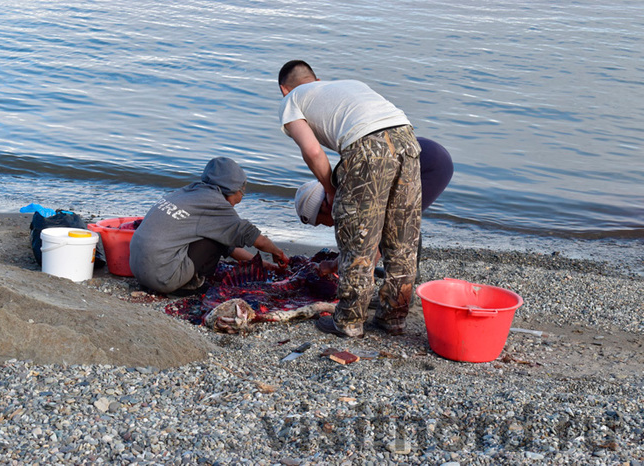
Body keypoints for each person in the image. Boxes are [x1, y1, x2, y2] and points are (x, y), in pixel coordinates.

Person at [278, 59, 422, 338]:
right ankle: (393, 318)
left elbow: (313, 152)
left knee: (359, 239)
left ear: (285, 89)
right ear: (316, 78)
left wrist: (330, 188)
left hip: (368, 147)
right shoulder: (348, 85)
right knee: (402, 240)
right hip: (408, 138)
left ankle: (349, 322)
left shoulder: (292, 100)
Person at [129, 156, 289, 295]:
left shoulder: (187, 192)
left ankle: (176, 278)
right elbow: (253, 237)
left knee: (216, 234)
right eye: (242, 192)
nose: (241, 198)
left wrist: (264, 265)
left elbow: (230, 247)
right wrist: (278, 252)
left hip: (137, 270)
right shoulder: (216, 204)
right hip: (162, 278)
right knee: (216, 239)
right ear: (233, 189)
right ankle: (189, 286)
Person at [294, 136, 454, 274]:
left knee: (394, 225)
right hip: (425, 150)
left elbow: (372, 244)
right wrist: (337, 263)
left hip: (431, 165)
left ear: (323, 206)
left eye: (322, 222)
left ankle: (403, 289)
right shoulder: (340, 185)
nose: (328, 226)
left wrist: (334, 267)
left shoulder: (349, 198)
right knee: (403, 217)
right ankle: (410, 274)